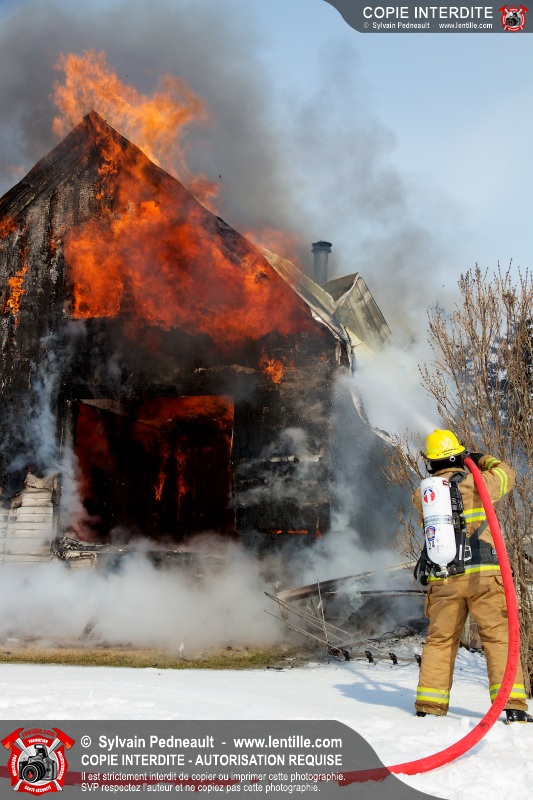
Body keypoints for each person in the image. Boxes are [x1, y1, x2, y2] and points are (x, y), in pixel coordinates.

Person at [413, 429, 532, 723]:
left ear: (430, 463)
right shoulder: (479, 483)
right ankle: (513, 705)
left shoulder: (423, 495)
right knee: (499, 638)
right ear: (458, 456)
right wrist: (479, 459)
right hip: (484, 577)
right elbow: (507, 473)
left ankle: (429, 705)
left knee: (440, 640)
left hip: (444, 578)